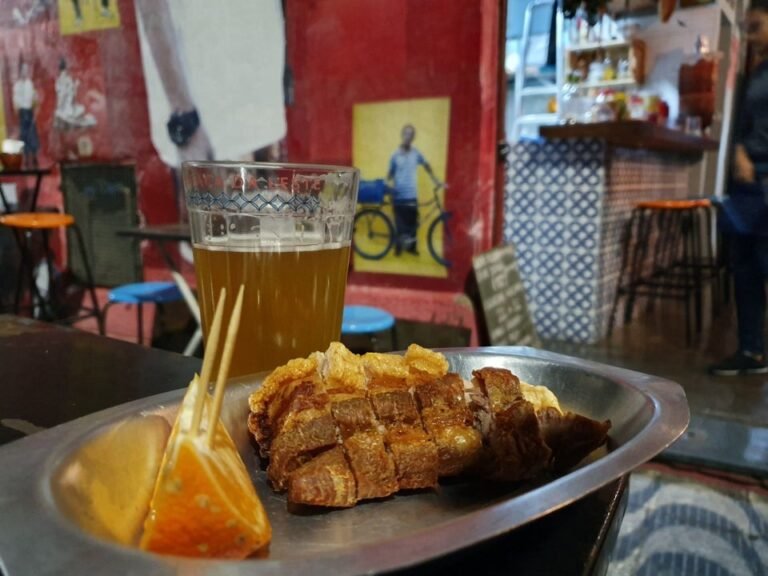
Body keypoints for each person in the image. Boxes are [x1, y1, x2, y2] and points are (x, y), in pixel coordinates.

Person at [709, 0, 768, 376]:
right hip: (749, 185)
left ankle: (753, 350)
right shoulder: (758, 70)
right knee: (745, 266)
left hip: (762, 180)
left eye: (757, 24)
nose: (749, 30)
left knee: (757, 264)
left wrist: (751, 152)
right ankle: (752, 351)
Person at [386, 124, 443, 256]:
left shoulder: (416, 153)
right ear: (402, 135)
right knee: (400, 224)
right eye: (406, 133)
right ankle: (398, 247)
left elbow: (426, 165)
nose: (408, 136)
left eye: (411, 134)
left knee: (413, 223)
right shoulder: (394, 155)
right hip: (398, 195)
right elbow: (390, 173)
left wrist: (435, 179)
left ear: (413, 137)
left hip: (412, 194)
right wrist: (386, 186)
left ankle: (412, 248)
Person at [12, 60, 39, 169]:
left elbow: (34, 97)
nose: (24, 72)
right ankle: (26, 158)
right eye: (23, 70)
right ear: (20, 72)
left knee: (32, 134)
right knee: (24, 135)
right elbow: (15, 99)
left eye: (26, 70)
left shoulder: (29, 83)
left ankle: (34, 157)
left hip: (29, 111)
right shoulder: (17, 85)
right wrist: (17, 108)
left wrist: (35, 103)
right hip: (22, 112)